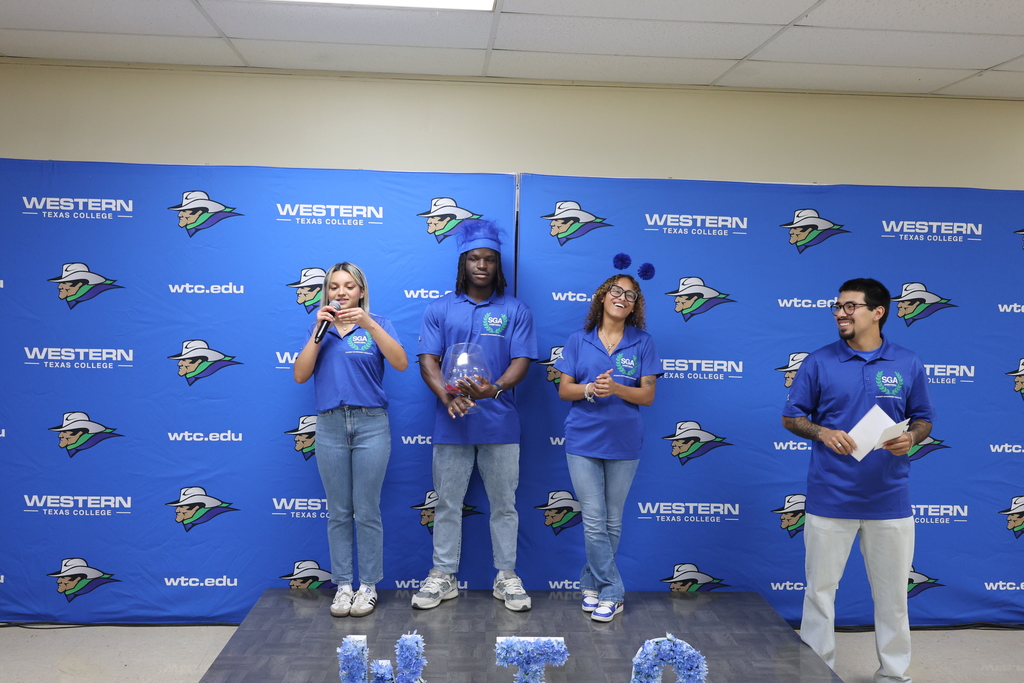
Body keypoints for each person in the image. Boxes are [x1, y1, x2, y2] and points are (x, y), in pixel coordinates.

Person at [782, 278, 934, 683]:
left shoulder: (907, 362)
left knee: (893, 596)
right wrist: (822, 432)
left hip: (890, 500)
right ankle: (817, 673)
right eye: (838, 306)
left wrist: (911, 438)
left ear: (877, 312)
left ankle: (894, 675)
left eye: (850, 306)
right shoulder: (819, 362)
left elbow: (923, 419)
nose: (840, 313)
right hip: (830, 497)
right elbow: (791, 417)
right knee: (819, 593)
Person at [412, 221, 537, 612]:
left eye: (489, 259)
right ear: (463, 263)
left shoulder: (515, 309)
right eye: (474, 259)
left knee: (504, 506)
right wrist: (447, 396)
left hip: (500, 423)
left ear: (498, 265)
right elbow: (428, 362)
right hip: (452, 422)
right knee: (447, 504)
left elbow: (522, 362)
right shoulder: (439, 308)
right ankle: (443, 575)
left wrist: (494, 389)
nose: (482, 265)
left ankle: (506, 576)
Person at [293, 262, 407, 618]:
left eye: (348, 286)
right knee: (339, 511)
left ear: (361, 291)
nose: (340, 292)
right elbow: (300, 375)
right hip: (329, 426)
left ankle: (368, 586)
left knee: (367, 509)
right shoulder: (319, 328)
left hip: (371, 424)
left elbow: (401, 362)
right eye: (334, 286)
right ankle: (343, 586)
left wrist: (369, 324)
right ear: (326, 292)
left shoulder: (378, 323)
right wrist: (319, 330)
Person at [554, 275, 661, 622]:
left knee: (612, 520)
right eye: (616, 291)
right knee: (594, 519)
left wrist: (615, 389)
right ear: (603, 297)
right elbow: (564, 390)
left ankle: (591, 582)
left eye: (631, 295)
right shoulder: (578, 339)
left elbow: (647, 395)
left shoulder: (643, 342)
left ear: (635, 306)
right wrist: (590, 389)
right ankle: (613, 591)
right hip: (582, 440)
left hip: (625, 442)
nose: (622, 297)